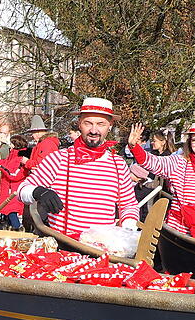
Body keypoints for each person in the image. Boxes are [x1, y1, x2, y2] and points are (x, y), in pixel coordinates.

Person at [19, 98, 139, 238]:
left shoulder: (118, 164)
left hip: (101, 247)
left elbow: (129, 205)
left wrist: (128, 227)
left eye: (100, 124)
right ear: (79, 123)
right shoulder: (60, 158)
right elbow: (22, 190)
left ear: (110, 125)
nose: (94, 130)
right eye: (88, 123)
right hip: (63, 245)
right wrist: (39, 192)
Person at [0, 134, 30, 228]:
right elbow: (5, 164)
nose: (9, 145)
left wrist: (0, 167)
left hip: (13, 190)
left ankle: (17, 229)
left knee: (12, 212)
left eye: (11, 143)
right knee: (9, 213)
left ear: (16, 144)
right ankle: (13, 229)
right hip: (7, 189)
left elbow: (14, 175)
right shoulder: (12, 155)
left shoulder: (21, 158)